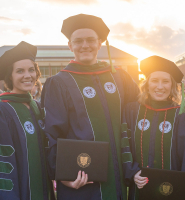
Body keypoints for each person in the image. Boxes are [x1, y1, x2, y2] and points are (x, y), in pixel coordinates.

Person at [41, 14, 139, 200]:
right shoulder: (59, 82)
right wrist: (62, 174)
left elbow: (139, 113)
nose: (85, 45)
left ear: (100, 43)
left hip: (118, 171)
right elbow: (51, 133)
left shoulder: (119, 77)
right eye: (78, 41)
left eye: (90, 40)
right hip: (81, 176)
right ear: (70, 46)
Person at [125, 55, 185, 200]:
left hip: (172, 191)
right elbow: (124, 146)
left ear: (173, 86)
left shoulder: (182, 116)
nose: (160, 86)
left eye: (166, 81)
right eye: (154, 81)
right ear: (147, 84)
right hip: (139, 188)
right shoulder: (132, 111)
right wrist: (132, 172)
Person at [0, 41, 54, 199]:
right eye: (19, 71)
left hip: (45, 189)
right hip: (18, 191)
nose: (27, 75)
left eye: (31, 70)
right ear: (10, 76)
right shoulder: (3, 109)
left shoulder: (38, 107)